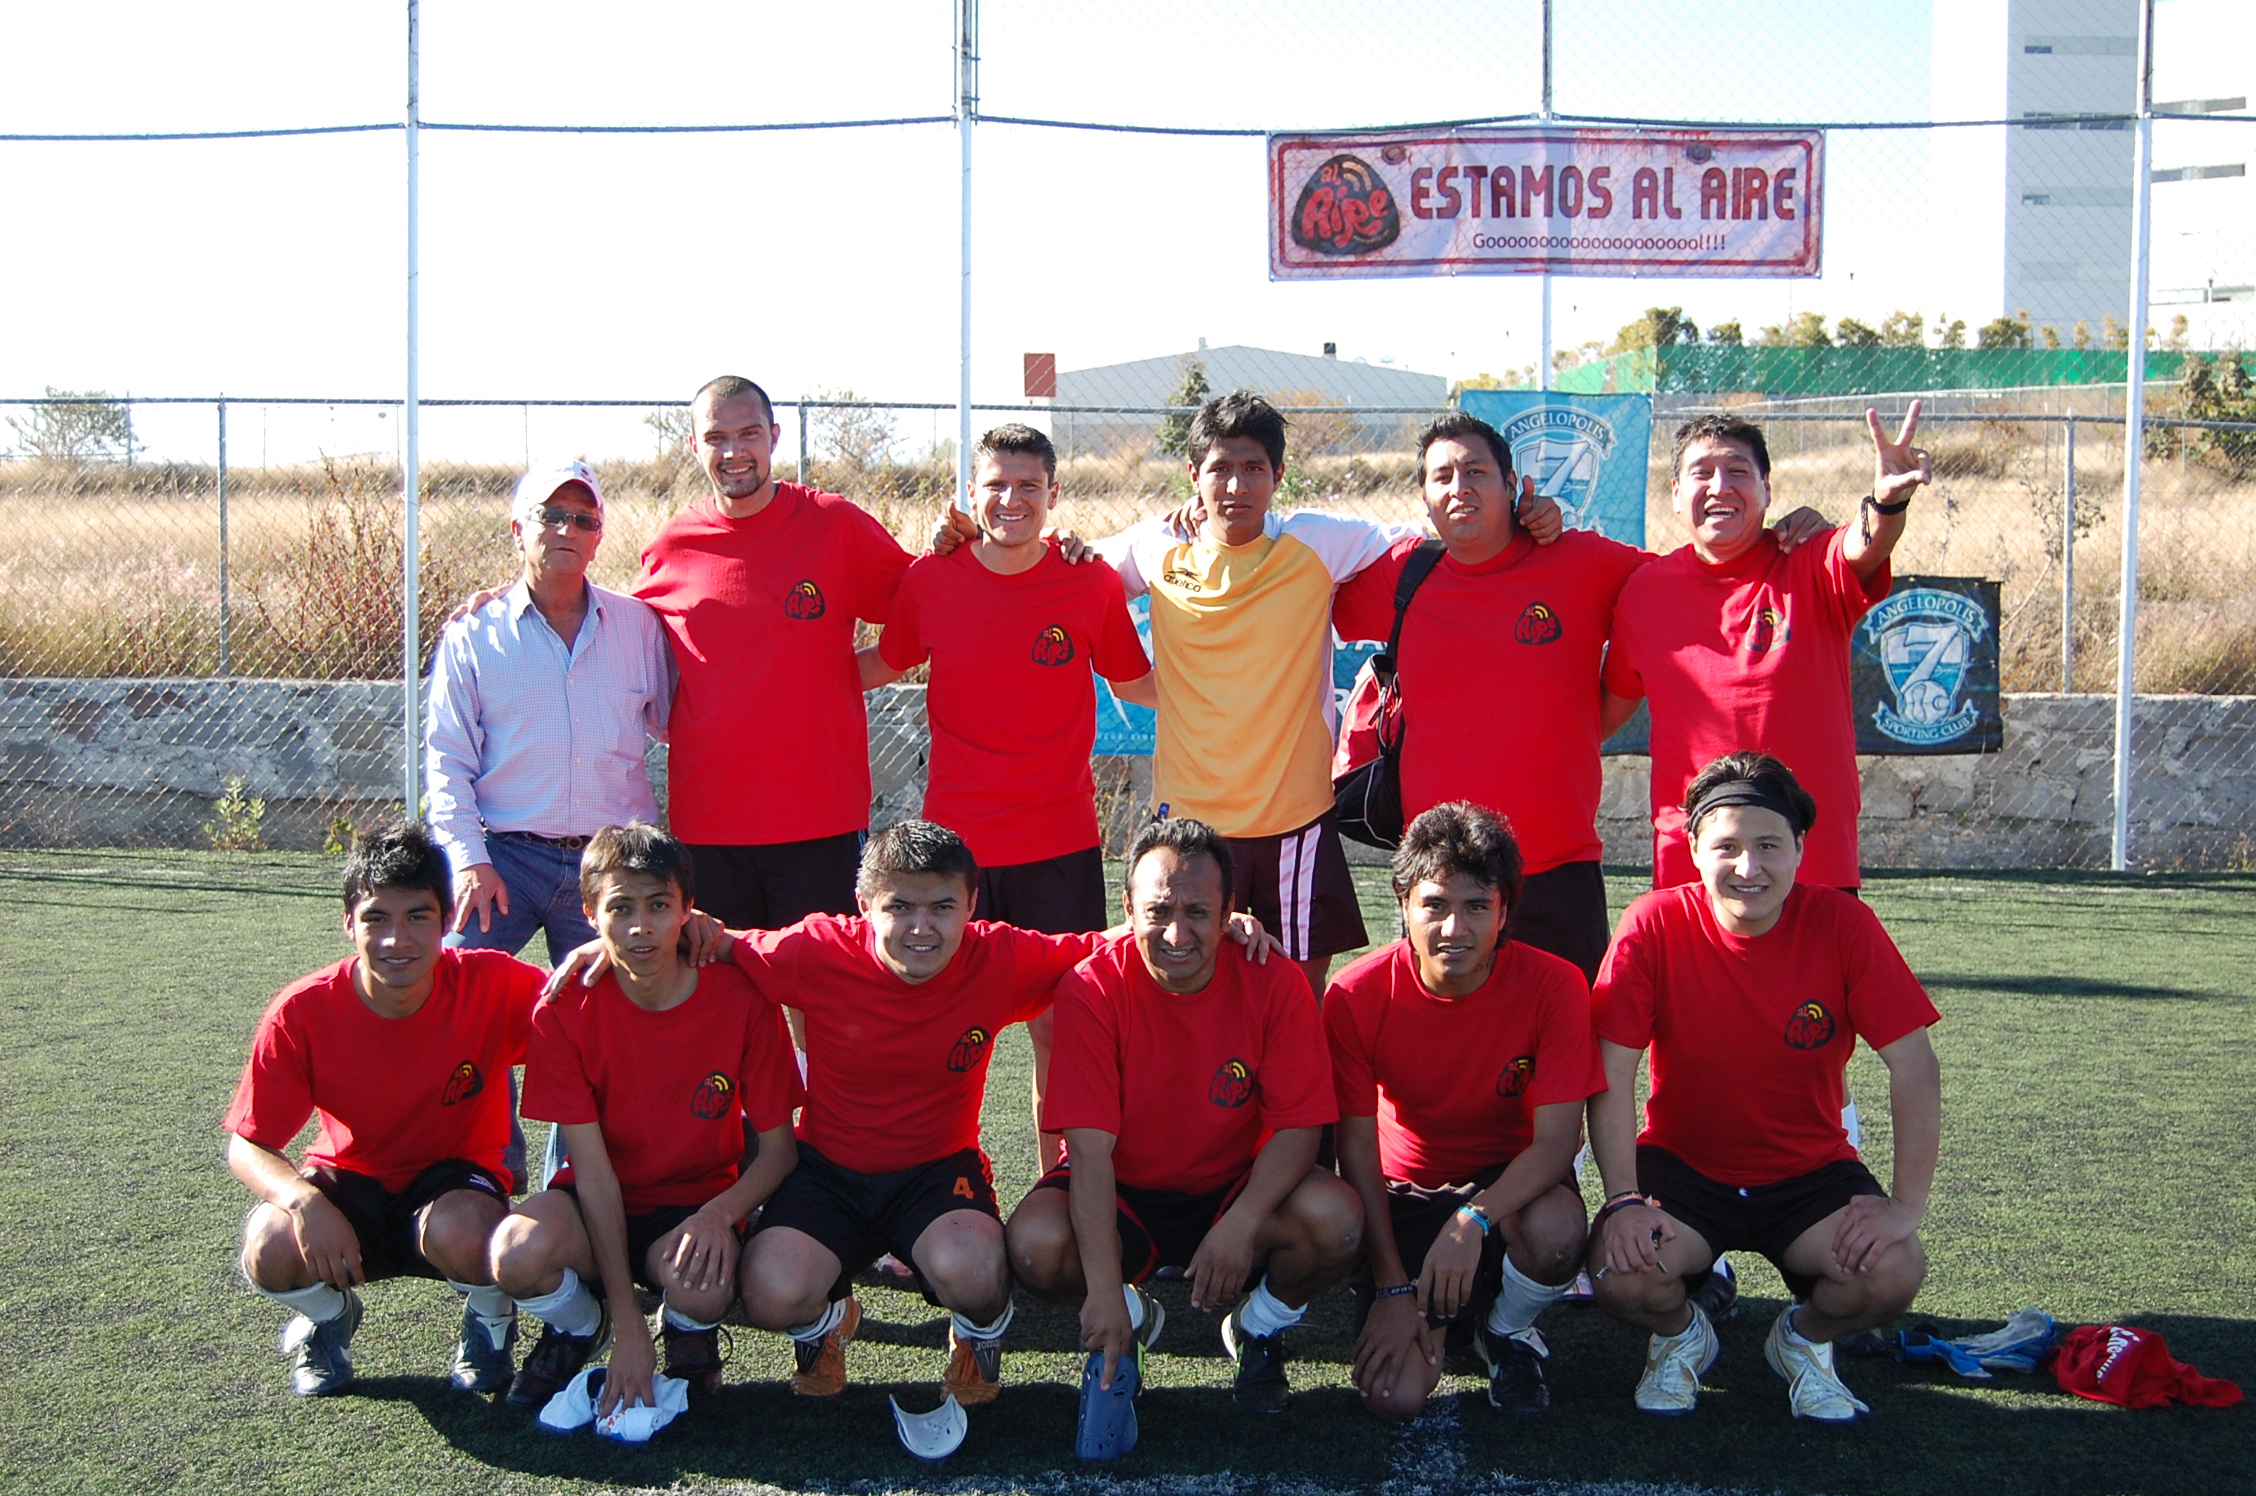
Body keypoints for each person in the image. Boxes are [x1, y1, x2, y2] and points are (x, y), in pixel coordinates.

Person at [551, 821, 1274, 1406]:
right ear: (864, 906)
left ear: (971, 904)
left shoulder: (1002, 958)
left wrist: (1225, 923)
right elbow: (704, 940)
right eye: (899, 907)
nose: (921, 928)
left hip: (937, 1171)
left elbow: (1118, 942)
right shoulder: (813, 951)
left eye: (941, 908)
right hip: (826, 1170)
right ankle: (827, 1321)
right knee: (771, 1291)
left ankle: (976, 1335)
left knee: (978, 1272)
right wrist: (610, 943)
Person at [1586, 751, 1941, 1422]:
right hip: (1685, 1168)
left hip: (1809, 1172)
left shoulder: (1843, 924)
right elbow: (1612, 1072)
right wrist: (1625, 1200)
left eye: (1769, 845)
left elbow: (1915, 1065)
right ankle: (1680, 1337)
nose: (1748, 867)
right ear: (1694, 850)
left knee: (1895, 1269)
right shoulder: (1653, 923)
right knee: (1619, 1267)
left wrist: (1904, 1206)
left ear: (1800, 848)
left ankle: (1802, 1341)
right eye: (1727, 846)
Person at [860, 423, 1152, 1169]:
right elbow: (880, 665)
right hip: (958, 852)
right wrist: (757, 669)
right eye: (995, 485)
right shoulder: (932, 578)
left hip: (1059, 844)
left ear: (1053, 495)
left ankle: (1059, 1186)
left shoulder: (1088, 581)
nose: (1011, 500)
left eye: (1028, 486)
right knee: (943, 1029)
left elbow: (1137, 683)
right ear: (971, 493)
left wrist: (1249, 685)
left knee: (1061, 1029)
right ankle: (935, 1179)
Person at [1008, 817, 1362, 1425]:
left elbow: (1300, 1128)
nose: (1177, 933)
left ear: (1228, 913)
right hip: (1124, 1192)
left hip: (1232, 1188)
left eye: (1198, 912)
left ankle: (1259, 1326)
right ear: (1128, 909)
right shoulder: (1091, 987)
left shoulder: (1274, 980)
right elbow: (1089, 1154)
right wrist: (1104, 1293)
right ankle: (1135, 1317)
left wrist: (1241, 1223)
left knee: (1337, 1221)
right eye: (1158, 911)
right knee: (1034, 1245)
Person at [489, 823, 801, 1415]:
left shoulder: (740, 998)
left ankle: (687, 1329)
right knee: (516, 1251)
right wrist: (628, 1323)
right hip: (592, 1203)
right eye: (621, 908)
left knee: (703, 1284)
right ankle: (582, 1324)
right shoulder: (564, 1008)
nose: (641, 927)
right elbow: (593, 1176)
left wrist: (717, 1216)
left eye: (659, 905)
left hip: (692, 1202)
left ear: (688, 909)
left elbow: (779, 1152)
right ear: (589, 915)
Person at [224, 823, 545, 1398]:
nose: (397, 939)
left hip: (455, 1188)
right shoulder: (302, 1011)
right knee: (269, 1245)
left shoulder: (493, 983)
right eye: (377, 918)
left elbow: (590, 1005)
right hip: (350, 1182)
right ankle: (329, 1317)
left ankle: (491, 1320)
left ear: (447, 921)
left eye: (417, 916)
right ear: (349, 923)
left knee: (472, 1232)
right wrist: (302, 1201)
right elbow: (247, 1143)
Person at [1331, 413, 1647, 983]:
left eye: (1475, 471)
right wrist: (1192, 528)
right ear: (1425, 500)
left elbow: (1688, 586)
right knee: (1440, 1037)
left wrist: (1788, 538)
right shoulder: (1404, 573)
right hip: (1438, 875)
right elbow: (1290, 583)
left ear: (1513, 485)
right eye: (1442, 476)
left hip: (1558, 866)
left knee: (1571, 1032)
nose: (1459, 487)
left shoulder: (1582, 561)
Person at [1326, 801, 1604, 1422]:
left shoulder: (1555, 985)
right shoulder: (1355, 994)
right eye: (1435, 905)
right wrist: (1393, 1283)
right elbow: (1357, 1153)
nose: (1455, 927)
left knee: (1558, 1231)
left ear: (1504, 913)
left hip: (1508, 1196)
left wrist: (1472, 1221)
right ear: (1404, 905)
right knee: (1393, 1399)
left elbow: (1558, 1143)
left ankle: (1506, 1327)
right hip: (1405, 1197)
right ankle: (1439, 1306)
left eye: (1477, 906)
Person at [1602, 406, 1932, 892]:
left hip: (1810, 863)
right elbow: (1600, 717)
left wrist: (1886, 502)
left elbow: (1864, 545)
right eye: (1701, 473)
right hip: (1691, 868)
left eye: (1738, 471)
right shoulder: (1644, 592)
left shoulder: (1810, 561)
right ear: (1675, 494)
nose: (1720, 487)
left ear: (1767, 490)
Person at [633, 375, 914, 929]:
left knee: (820, 976)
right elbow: (604, 628)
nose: (734, 451)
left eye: (749, 433)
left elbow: (924, 607)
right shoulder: (672, 544)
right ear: (694, 445)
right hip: (710, 822)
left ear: (774, 436)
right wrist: (514, 593)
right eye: (716, 437)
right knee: (718, 975)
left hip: (821, 817)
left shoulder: (833, 524)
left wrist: (841, 674)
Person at [426, 459, 672, 962]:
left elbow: (678, 728)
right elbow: (447, 761)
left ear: (598, 539)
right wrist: (469, 860)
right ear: (518, 531)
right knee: (453, 981)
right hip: (506, 857)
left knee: (619, 999)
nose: (568, 530)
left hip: (612, 862)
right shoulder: (473, 634)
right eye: (551, 515)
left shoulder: (640, 627)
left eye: (584, 520)